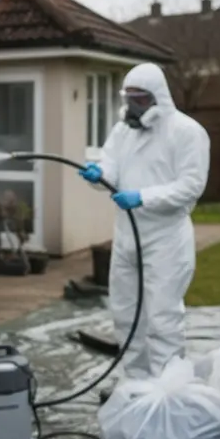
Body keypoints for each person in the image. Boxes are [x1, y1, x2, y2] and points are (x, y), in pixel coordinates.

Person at [79, 63, 210, 381]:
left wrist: (143, 197)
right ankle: (136, 387)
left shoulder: (187, 132)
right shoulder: (123, 131)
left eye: (140, 99)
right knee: (125, 315)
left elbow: (191, 185)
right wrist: (98, 175)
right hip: (126, 237)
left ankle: (167, 391)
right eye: (129, 98)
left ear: (157, 98)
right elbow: (110, 169)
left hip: (165, 239)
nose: (133, 106)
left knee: (162, 319)